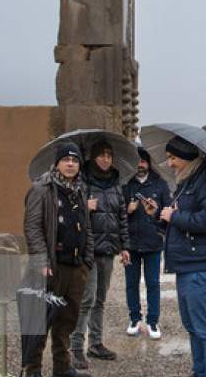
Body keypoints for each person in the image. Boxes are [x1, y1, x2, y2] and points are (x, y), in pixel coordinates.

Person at [22, 142, 93, 377]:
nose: (71, 164)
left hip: (75, 267)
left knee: (66, 321)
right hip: (51, 267)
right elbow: (32, 227)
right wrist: (41, 261)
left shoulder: (80, 189)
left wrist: (87, 261)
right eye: (66, 160)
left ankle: (62, 368)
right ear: (57, 163)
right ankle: (32, 370)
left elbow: (87, 228)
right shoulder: (41, 189)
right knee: (40, 320)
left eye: (75, 160)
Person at [160, 136, 206, 377]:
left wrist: (174, 217)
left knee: (205, 329)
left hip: (201, 267)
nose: (169, 163)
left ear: (188, 158)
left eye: (173, 158)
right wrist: (161, 217)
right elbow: (181, 220)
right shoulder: (188, 181)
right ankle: (199, 372)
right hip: (187, 265)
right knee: (193, 327)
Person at [70, 140, 131, 370]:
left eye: (109, 155)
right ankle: (77, 347)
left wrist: (125, 246)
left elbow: (122, 217)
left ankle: (95, 343)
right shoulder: (81, 181)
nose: (106, 159)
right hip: (88, 249)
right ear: (93, 157)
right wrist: (84, 206)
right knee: (87, 300)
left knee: (101, 300)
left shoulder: (116, 182)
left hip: (108, 249)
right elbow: (67, 211)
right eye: (101, 155)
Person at [122, 146, 171, 339]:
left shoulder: (160, 185)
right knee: (131, 284)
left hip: (153, 242)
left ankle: (153, 321)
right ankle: (134, 318)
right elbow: (118, 214)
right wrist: (128, 210)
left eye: (142, 161)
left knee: (153, 283)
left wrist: (157, 210)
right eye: (136, 161)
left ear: (148, 163)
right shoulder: (126, 185)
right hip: (131, 243)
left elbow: (168, 212)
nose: (139, 165)